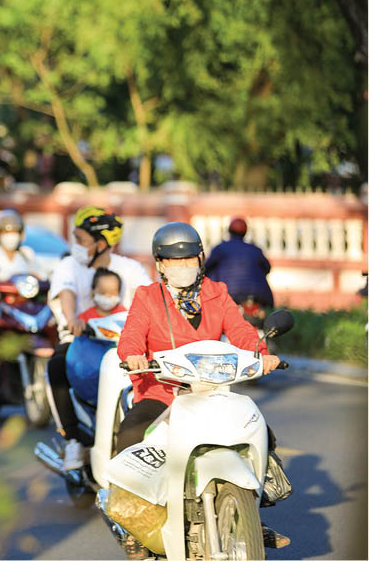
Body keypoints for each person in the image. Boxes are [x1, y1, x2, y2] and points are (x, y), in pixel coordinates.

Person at [117, 221, 290, 548]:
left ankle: (249, 508)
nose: (182, 267)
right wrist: (134, 356)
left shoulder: (217, 292)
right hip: (163, 392)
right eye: (173, 261)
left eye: (188, 259)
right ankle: (135, 523)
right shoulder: (147, 297)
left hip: (212, 391)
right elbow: (131, 336)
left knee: (260, 430)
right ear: (160, 264)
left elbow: (240, 332)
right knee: (130, 436)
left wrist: (262, 354)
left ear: (200, 260)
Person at [46, 206, 152, 469]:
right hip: (81, 343)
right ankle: (72, 439)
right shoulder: (68, 266)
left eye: (81, 239)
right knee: (57, 365)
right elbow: (66, 292)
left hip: (125, 346)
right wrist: (73, 320)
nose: (76, 245)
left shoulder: (131, 269)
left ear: (102, 244)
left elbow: (150, 299)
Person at [204, 217, 274, 308]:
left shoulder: (220, 249)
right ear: (245, 233)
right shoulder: (255, 250)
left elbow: (205, 269)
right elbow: (267, 269)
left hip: (229, 295)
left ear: (229, 231)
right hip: (259, 296)